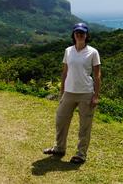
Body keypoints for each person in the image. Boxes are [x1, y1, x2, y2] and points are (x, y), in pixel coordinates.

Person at [43, 22, 101, 164]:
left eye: (82, 33)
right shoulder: (68, 51)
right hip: (69, 92)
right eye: (77, 33)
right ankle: (59, 148)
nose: (79, 35)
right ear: (73, 35)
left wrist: (96, 95)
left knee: (84, 125)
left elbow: (97, 75)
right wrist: (61, 91)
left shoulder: (93, 52)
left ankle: (81, 154)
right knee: (61, 120)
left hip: (86, 93)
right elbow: (65, 72)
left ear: (86, 35)